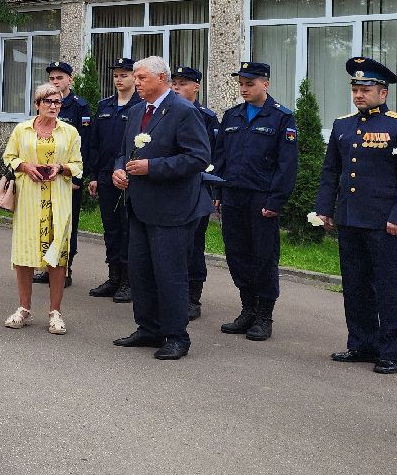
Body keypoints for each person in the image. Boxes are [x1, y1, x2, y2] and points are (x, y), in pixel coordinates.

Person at [314, 57, 397, 374]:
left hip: (385, 222)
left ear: (383, 92)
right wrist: (325, 208)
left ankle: (391, 351)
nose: (359, 95)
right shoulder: (343, 125)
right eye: (355, 89)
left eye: (366, 89)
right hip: (350, 219)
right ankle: (362, 344)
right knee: (356, 285)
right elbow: (330, 171)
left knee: (389, 288)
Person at [111, 56, 211, 360]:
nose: (136, 83)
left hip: (173, 209)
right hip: (140, 206)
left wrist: (152, 167)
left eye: (141, 78)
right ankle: (149, 327)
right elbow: (124, 151)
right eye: (135, 78)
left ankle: (176, 335)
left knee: (170, 273)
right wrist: (119, 170)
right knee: (140, 271)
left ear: (161, 78)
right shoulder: (137, 110)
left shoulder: (183, 110)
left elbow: (198, 158)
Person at [212, 61, 298, 342]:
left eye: (250, 84)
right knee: (236, 255)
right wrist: (217, 193)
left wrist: (276, 201)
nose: (244, 89)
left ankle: (264, 315)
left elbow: (287, 166)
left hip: (262, 198)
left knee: (263, 257)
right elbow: (220, 158)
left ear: (266, 84)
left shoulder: (281, 117)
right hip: (234, 195)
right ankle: (247, 309)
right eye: (241, 84)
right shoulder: (232, 116)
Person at [1, 82, 85, 334]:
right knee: (25, 255)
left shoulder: (70, 132)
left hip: (58, 200)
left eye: (57, 101)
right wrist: (25, 166)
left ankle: (55, 312)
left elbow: (78, 165)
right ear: (37, 104)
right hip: (28, 200)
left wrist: (61, 168)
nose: (53, 106)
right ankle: (24, 309)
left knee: (58, 257)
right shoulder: (21, 129)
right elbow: (9, 157)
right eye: (47, 101)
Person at [84, 57, 142, 302]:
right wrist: (95, 176)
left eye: (124, 75)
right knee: (111, 229)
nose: (119, 79)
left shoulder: (141, 105)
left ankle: (129, 281)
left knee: (129, 229)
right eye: (116, 75)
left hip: (132, 178)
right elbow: (95, 144)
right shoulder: (105, 105)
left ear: (134, 78)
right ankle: (114, 277)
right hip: (107, 176)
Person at [33, 60, 90, 288]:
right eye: (52, 79)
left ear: (69, 80)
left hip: (67, 177)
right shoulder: (46, 103)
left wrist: (77, 178)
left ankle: (65, 269)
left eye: (60, 78)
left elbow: (84, 145)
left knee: (67, 224)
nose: (56, 82)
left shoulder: (79, 106)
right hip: (45, 178)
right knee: (48, 221)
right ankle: (48, 267)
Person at [172, 66, 221, 321]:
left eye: (183, 83)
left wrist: (214, 191)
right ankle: (171, 294)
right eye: (174, 83)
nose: (176, 87)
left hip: (198, 189)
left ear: (196, 87)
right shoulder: (166, 113)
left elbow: (214, 158)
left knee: (194, 245)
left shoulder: (206, 117)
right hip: (170, 190)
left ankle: (193, 297)